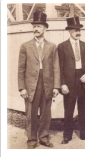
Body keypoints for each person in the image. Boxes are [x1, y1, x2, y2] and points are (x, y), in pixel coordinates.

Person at [18, 11, 60, 149]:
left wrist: (56, 87)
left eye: (39, 26)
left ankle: (43, 137)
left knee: (45, 113)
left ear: (45, 28)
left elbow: (56, 68)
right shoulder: (25, 46)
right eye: (34, 26)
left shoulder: (52, 46)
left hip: (46, 83)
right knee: (31, 113)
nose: (36, 29)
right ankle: (31, 139)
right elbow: (21, 69)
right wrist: (22, 87)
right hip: (31, 85)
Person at [58, 16, 85, 144]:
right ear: (69, 31)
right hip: (69, 82)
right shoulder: (62, 47)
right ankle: (67, 135)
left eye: (79, 29)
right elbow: (59, 68)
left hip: (83, 80)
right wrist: (62, 83)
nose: (77, 32)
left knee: (84, 109)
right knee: (68, 109)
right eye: (75, 30)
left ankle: (84, 134)